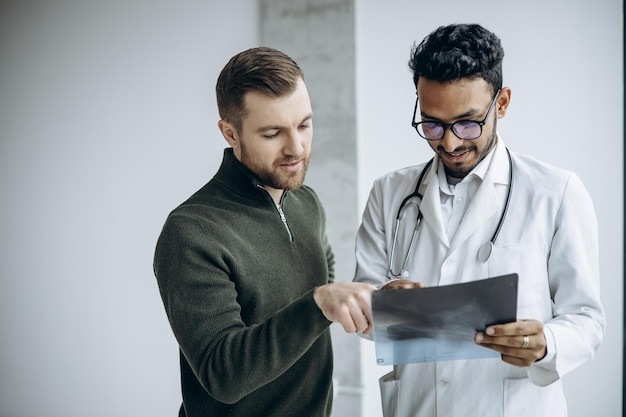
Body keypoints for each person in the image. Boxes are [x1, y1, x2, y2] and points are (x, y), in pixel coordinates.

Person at [353, 23, 605, 417]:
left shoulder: (556, 193)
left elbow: (587, 320)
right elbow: (362, 307)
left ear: (501, 103)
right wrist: (383, 303)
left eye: (467, 122)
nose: (450, 143)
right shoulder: (389, 194)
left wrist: (546, 343)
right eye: (432, 123)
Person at [154, 46, 375, 417]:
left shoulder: (307, 203)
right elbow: (222, 374)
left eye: (304, 124)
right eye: (273, 133)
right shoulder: (191, 232)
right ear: (230, 133)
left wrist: (370, 301)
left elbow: (325, 303)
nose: (297, 147)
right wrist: (318, 303)